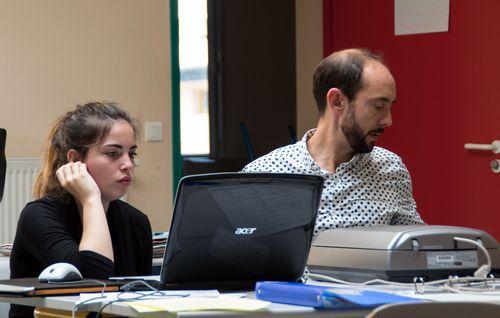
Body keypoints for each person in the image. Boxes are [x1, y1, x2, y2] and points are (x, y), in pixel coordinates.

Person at [243, 48, 424, 236]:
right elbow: (235, 256)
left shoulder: (391, 170)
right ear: (337, 101)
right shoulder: (264, 175)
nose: (388, 120)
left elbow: (416, 247)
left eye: (390, 107)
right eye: (378, 106)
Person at [9, 102, 152, 317]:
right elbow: (94, 283)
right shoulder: (38, 216)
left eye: (131, 154)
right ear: (75, 161)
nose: (128, 164)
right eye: (113, 154)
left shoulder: (136, 222)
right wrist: (91, 198)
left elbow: (140, 301)